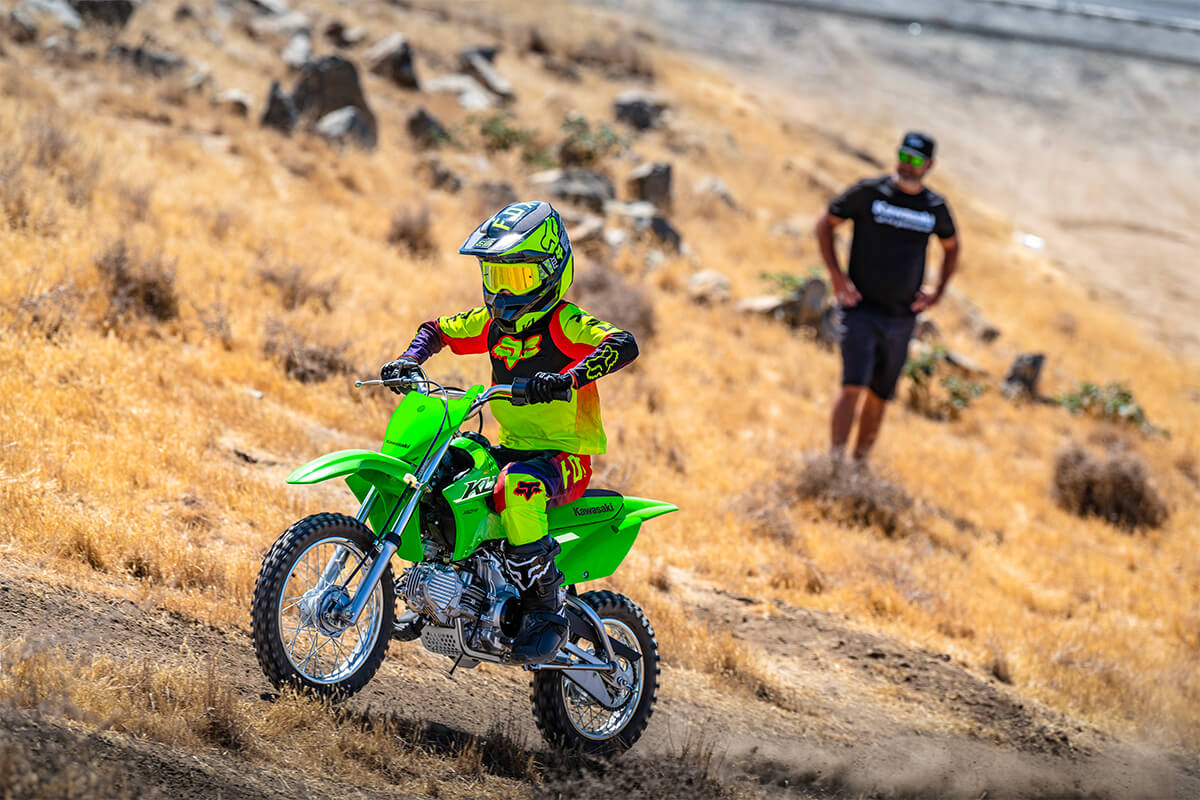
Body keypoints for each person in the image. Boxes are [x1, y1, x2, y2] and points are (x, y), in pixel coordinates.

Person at [379, 200, 638, 664]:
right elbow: (437, 329)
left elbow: (622, 343)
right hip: (511, 447)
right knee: (447, 462)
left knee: (517, 488)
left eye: (517, 277)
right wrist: (409, 359)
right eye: (496, 277)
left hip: (564, 458)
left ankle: (545, 608)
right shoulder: (494, 325)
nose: (503, 291)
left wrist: (567, 378)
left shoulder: (565, 322)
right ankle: (443, 575)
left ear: (551, 271)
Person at [814, 131, 960, 461]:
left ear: (929, 166)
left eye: (916, 161)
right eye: (903, 157)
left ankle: (859, 465)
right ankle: (833, 464)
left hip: (901, 318)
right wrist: (837, 278)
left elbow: (952, 248)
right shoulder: (870, 192)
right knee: (852, 386)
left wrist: (937, 292)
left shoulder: (935, 207)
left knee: (880, 395)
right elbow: (825, 224)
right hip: (860, 309)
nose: (907, 166)